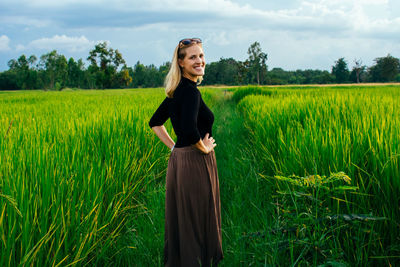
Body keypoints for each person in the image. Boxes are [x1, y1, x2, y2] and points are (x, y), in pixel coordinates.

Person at [148, 38, 223, 266]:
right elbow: (190, 130)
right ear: (180, 62)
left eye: (201, 56)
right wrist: (204, 148)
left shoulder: (177, 91)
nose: (199, 61)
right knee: (197, 219)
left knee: (185, 219)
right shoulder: (190, 92)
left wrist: (174, 148)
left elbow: (154, 123)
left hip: (180, 161)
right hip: (194, 161)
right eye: (192, 57)